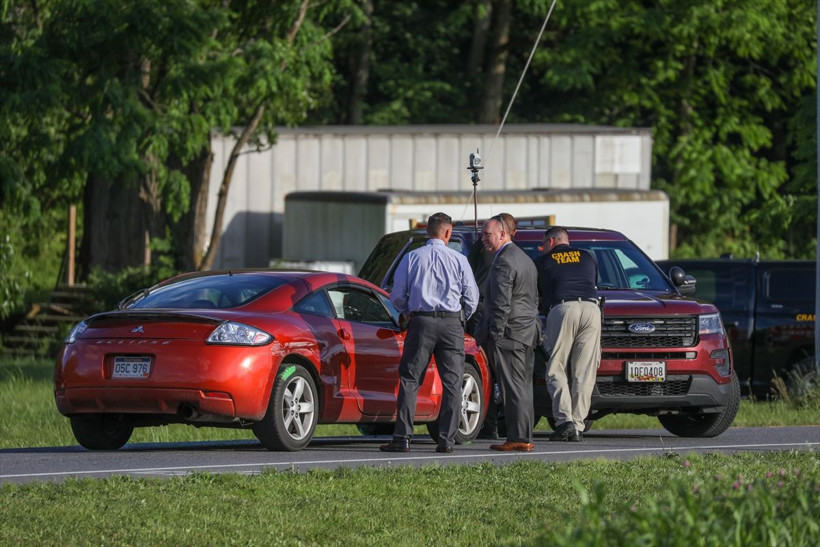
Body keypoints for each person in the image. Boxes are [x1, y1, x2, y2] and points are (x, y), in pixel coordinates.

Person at [380, 212, 479, 454]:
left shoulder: (412, 258)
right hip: (451, 323)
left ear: (428, 231)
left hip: (421, 321)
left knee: (411, 379)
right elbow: (472, 297)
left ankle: (402, 437)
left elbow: (396, 295)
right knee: (452, 381)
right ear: (448, 232)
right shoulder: (459, 260)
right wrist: (460, 316)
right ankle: (446, 439)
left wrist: (407, 311)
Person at [475, 215, 540, 452]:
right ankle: (522, 436)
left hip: (510, 335)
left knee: (514, 388)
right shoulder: (525, 259)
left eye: (487, 234)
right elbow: (532, 299)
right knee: (522, 387)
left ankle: (519, 438)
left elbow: (501, 303)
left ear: (502, 234)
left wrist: (495, 334)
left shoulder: (504, 261)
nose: (482, 238)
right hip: (526, 332)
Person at [537, 226, 601, 442]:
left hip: (563, 308)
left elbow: (539, 294)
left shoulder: (544, 261)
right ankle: (578, 424)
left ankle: (564, 421)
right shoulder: (587, 257)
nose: (543, 248)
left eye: (544, 243)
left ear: (552, 241)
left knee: (556, 367)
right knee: (584, 371)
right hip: (592, 309)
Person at [467, 213, 518, 440]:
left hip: (483, 312)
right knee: (495, 371)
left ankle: (490, 424)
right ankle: (496, 425)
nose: (485, 238)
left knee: (486, 369)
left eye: (487, 234)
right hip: (493, 314)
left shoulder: (486, 250)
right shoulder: (503, 254)